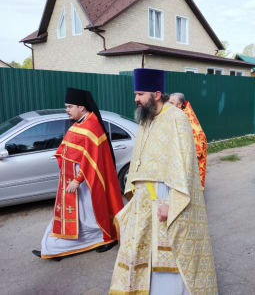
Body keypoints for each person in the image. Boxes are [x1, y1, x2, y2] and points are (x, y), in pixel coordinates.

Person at [109, 69, 217, 295]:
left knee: (169, 250)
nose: (135, 99)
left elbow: (184, 165)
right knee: (145, 249)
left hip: (166, 196)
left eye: (140, 94)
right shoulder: (146, 119)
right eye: (135, 94)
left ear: (157, 94)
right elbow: (141, 160)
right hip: (145, 197)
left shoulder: (177, 119)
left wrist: (170, 202)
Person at [32, 88, 123, 260]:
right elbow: (67, 147)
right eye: (66, 106)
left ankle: (106, 238)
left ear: (82, 107)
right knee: (76, 216)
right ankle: (54, 248)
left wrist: (77, 179)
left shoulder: (92, 126)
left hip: (86, 183)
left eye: (70, 106)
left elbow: (92, 159)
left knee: (90, 215)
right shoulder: (79, 123)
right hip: (71, 181)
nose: (67, 110)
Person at [169, 93, 207, 190]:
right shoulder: (177, 113)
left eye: (171, 103)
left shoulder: (186, 117)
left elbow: (198, 137)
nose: (168, 105)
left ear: (179, 105)